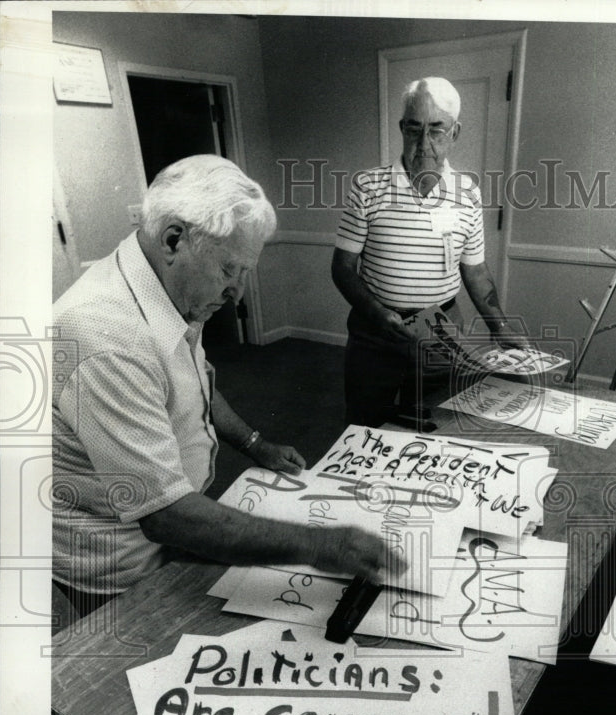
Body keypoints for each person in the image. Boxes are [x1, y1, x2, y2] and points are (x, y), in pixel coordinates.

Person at [52, 154, 398, 616]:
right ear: (174, 239)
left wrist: (255, 443)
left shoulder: (164, 288)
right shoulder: (108, 337)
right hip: (121, 559)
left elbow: (195, 385)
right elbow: (165, 516)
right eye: (228, 271)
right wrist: (321, 545)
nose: (237, 293)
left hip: (170, 519)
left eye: (244, 273)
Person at [332, 76, 528, 428]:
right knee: (363, 425)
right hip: (375, 331)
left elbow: (476, 271)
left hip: (441, 330)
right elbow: (342, 267)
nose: (424, 144)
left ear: (455, 133)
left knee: (437, 422)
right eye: (414, 129)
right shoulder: (367, 186)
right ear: (401, 128)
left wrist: (498, 324)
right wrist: (377, 313)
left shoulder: (467, 192)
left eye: (436, 130)